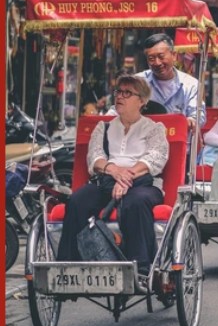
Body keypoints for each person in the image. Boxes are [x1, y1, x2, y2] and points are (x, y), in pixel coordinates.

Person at [56, 76, 168, 287]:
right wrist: (114, 171)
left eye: (127, 93)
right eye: (118, 92)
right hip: (106, 180)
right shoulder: (103, 128)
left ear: (142, 101)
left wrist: (126, 177)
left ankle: (141, 268)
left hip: (143, 183)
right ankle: (70, 265)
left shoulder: (154, 128)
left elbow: (155, 158)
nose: (120, 97)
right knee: (77, 200)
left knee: (136, 203)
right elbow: (95, 157)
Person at [109, 33, 205, 132]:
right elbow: (118, 109)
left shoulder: (191, 84)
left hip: (178, 142)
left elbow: (198, 116)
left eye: (161, 56)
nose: (157, 63)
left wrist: (191, 121)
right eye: (151, 59)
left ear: (174, 55)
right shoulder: (137, 82)